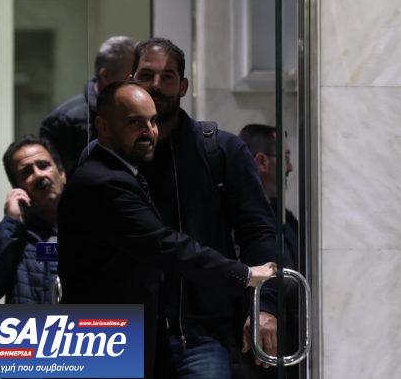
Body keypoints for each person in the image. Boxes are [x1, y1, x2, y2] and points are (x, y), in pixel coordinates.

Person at [57, 81, 277, 379]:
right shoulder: (104, 182)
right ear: (103, 127)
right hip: (99, 338)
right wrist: (245, 274)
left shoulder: (121, 174)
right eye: (135, 122)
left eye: (153, 121)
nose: (149, 131)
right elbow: (167, 246)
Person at [131, 38, 289, 378]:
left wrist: (264, 306)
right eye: (146, 75)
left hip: (203, 334)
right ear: (131, 82)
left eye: (167, 76)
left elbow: (259, 234)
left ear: (183, 86)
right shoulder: (109, 156)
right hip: (125, 333)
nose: (155, 85)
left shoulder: (221, 150)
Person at [0, 136, 66, 304]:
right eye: (27, 172)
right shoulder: (11, 235)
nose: (38, 174)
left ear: (62, 174)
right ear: (18, 189)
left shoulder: (92, 225)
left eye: (43, 165)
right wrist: (12, 222)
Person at [239, 124, 301, 378]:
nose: (290, 167)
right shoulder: (234, 216)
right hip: (247, 349)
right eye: (285, 157)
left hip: (285, 347)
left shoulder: (286, 219)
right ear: (262, 162)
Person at [39, 36, 136, 174]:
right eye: (131, 77)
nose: (137, 83)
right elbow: (57, 180)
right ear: (105, 75)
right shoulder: (63, 120)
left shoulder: (138, 112)